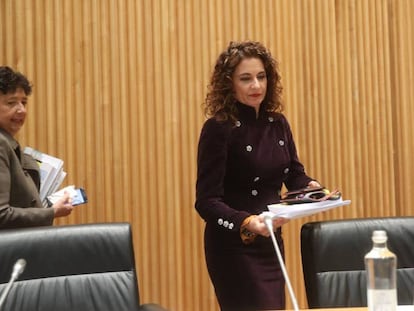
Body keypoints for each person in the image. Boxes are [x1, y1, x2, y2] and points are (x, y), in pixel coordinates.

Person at [195, 41, 321, 311]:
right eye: (246, 78)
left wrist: (312, 189)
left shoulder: (277, 123)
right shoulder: (218, 129)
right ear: (229, 83)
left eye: (261, 77)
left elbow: (294, 174)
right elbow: (206, 202)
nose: (256, 86)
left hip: (270, 242)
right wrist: (247, 221)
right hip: (234, 247)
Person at [0, 66, 74, 229]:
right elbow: (1, 215)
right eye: (12, 103)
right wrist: (52, 212)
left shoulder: (8, 142)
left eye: (24, 102)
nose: (21, 110)